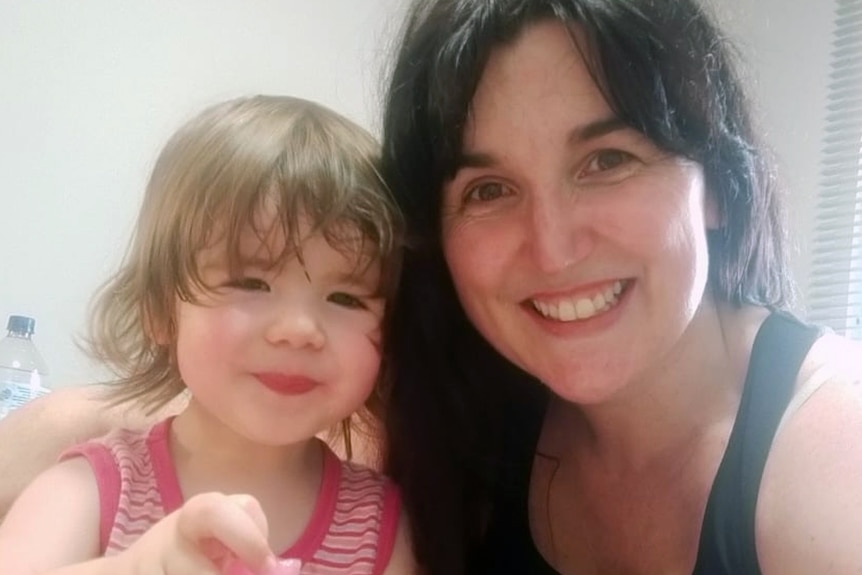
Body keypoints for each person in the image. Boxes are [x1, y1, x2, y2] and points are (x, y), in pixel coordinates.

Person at [379, 0, 862, 574]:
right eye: (488, 190)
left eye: (606, 161)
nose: (553, 251)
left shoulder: (836, 462)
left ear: (712, 184)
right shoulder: (469, 419)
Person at [0, 95, 416, 575]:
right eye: (251, 283)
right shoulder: (90, 487)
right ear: (160, 307)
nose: (300, 330)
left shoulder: (381, 526)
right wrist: (138, 567)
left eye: (347, 298)